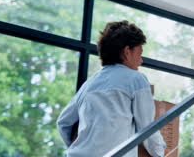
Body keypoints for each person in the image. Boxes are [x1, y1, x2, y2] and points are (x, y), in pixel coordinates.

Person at [57, 21, 166, 157]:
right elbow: (147, 128)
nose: (141, 61)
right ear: (127, 52)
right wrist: (160, 153)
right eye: (139, 53)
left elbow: (63, 122)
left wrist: (75, 147)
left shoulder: (89, 84)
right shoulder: (136, 79)